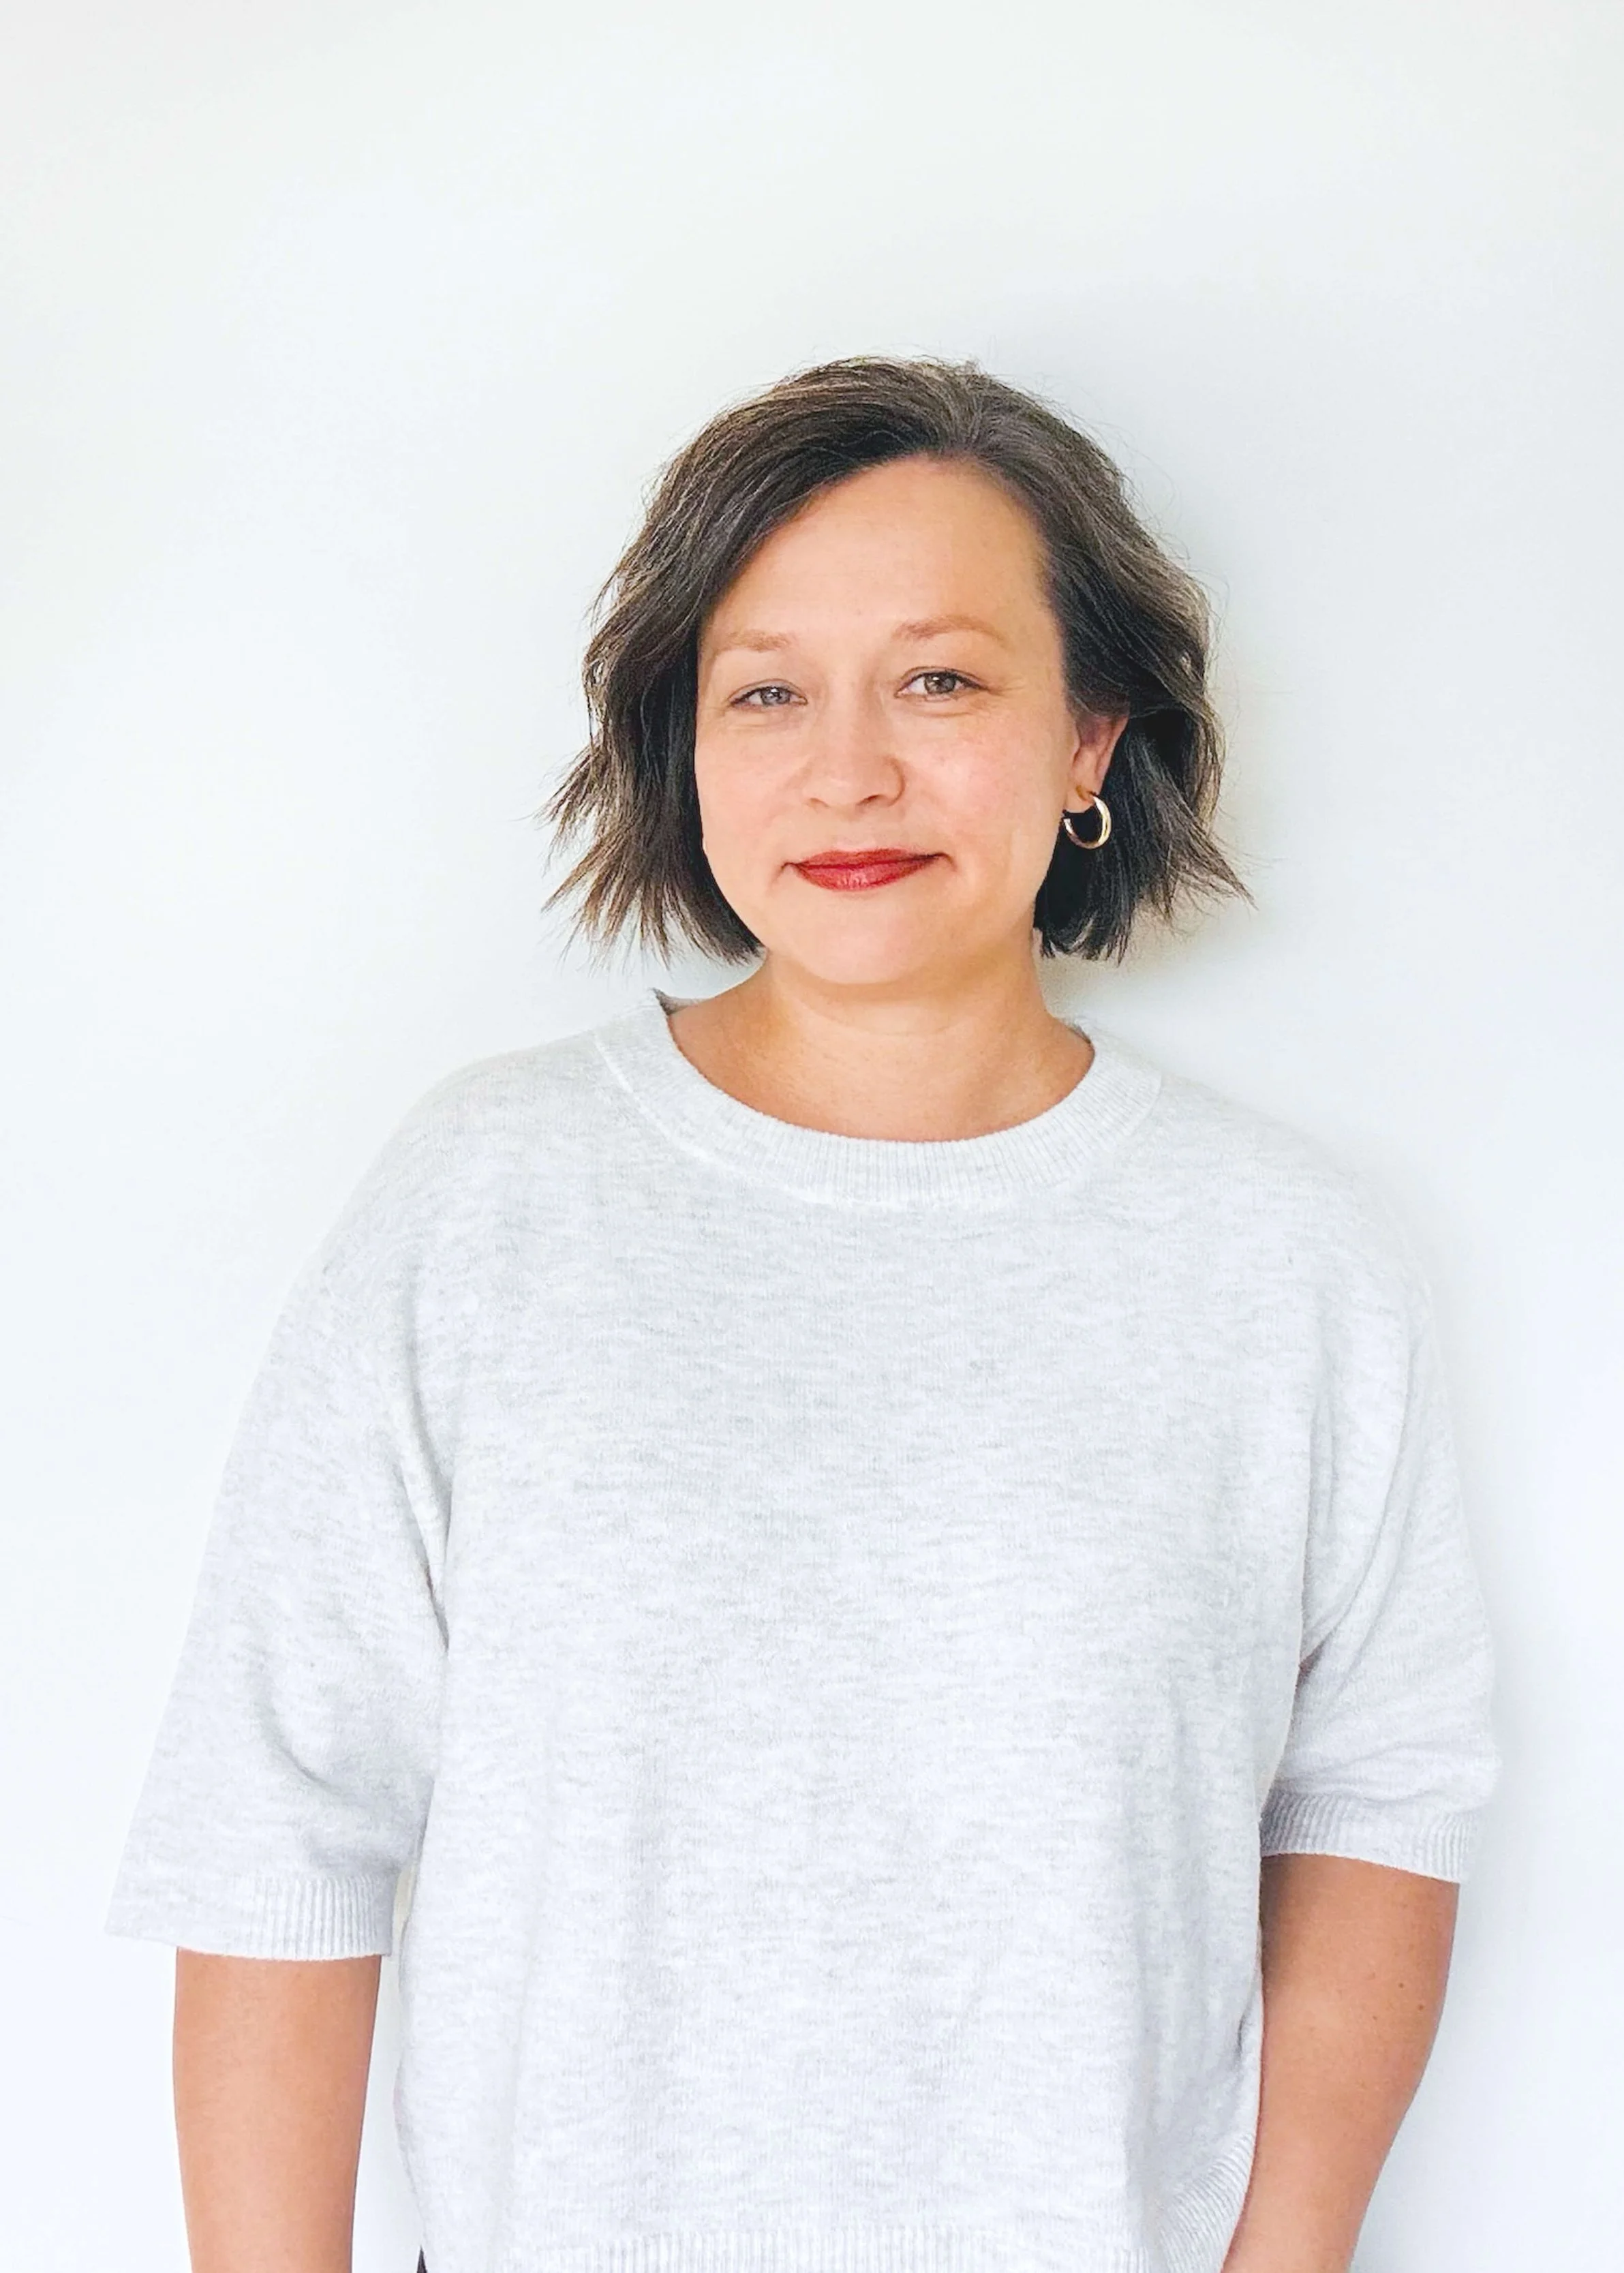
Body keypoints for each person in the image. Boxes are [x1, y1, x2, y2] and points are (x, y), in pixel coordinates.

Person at [108, 356, 1499, 2273]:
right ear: (682, 745)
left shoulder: (1286, 1256)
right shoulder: (490, 1199)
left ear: (1090, 738)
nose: (847, 771)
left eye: (941, 681)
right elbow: (282, 1818)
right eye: (765, 691)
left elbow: (1374, 1802)